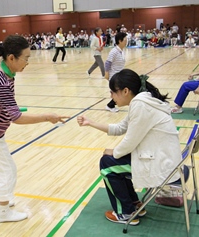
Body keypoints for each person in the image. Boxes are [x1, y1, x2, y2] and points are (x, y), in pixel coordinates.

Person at [0, 35, 68, 223]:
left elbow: (1, 104)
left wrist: (8, 108)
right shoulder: (3, 82)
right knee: (8, 170)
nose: (28, 62)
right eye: (26, 58)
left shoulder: (2, 71)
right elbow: (17, 118)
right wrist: (47, 117)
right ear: (12, 58)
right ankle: (4, 212)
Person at [77, 69, 181, 225]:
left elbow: (131, 141)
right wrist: (90, 123)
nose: (111, 96)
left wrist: (114, 152)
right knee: (114, 161)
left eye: (113, 92)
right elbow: (120, 128)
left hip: (161, 164)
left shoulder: (141, 104)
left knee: (107, 165)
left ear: (125, 91)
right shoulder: (142, 101)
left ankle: (125, 213)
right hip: (163, 159)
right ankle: (133, 204)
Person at [104, 32, 127, 113]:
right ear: (120, 41)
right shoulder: (114, 51)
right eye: (125, 40)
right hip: (114, 76)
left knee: (120, 92)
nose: (126, 41)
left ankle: (111, 105)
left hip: (119, 75)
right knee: (118, 92)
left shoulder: (121, 51)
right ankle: (110, 105)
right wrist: (106, 74)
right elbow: (107, 63)